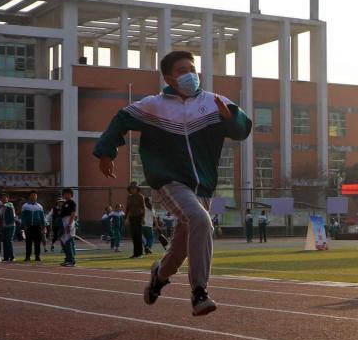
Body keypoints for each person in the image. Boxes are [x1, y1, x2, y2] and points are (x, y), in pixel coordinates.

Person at [94, 49, 251, 316]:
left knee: (180, 248)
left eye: (193, 68)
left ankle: (159, 276)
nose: (190, 74)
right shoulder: (154, 105)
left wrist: (229, 118)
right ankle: (199, 292)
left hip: (202, 186)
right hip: (168, 180)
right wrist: (106, 151)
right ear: (169, 77)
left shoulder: (214, 102)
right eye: (182, 71)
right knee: (201, 220)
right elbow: (121, 119)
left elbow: (241, 130)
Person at [20, 190, 46, 262]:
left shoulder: (40, 206)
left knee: (37, 242)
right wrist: (24, 225)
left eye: (35, 195)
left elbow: (42, 217)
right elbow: (23, 217)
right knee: (28, 242)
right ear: (29, 196)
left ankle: (37, 256)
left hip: (37, 226)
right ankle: (27, 256)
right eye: (32, 195)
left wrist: (43, 226)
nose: (34, 196)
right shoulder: (25, 206)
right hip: (28, 226)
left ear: (36, 196)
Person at [57, 188, 77, 267]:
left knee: (69, 241)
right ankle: (67, 259)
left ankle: (71, 260)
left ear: (71, 194)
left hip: (69, 221)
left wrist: (69, 224)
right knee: (64, 241)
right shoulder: (65, 203)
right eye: (64, 194)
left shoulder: (72, 203)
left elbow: (73, 213)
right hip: (63, 221)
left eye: (67, 194)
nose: (65, 195)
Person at [126, 183, 147, 258]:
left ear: (137, 189)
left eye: (134, 188)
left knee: (138, 235)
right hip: (132, 217)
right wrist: (126, 218)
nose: (133, 190)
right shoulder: (129, 197)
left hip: (139, 217)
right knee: (134, 235)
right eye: (131, 188)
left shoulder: (140, 196)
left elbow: (143, 208)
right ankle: (135, 253)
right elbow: (127, 208)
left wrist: (143, 218)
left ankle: (140, 253)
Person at [0, 192, 17, 262]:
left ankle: (12, 257)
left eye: (4, 198)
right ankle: (6, 257)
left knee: (9, 240)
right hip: (3, 226)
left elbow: (7, 205)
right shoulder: (1, 207)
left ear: (7, 198)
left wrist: (2, 204)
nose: (3, 199)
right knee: (5, 241)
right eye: (2, 198)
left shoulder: (10, 204)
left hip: (11, 225)